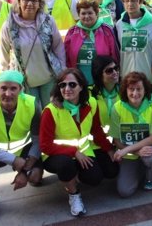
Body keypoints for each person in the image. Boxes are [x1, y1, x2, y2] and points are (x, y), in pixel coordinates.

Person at [40, 68, 118, 217]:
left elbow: (96, 130)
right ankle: (73, 194)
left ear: (82, 86)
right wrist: (74, 152)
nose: (67, 89)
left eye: (72, 85)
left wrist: (109, 150)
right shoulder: (50, 111)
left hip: (83, 151)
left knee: (102, 174)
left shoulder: (91, 103)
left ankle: (75, 174)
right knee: (66, 165)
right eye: (62, 85)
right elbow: (45, 145)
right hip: (55, 155)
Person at [0, 70, 43, 225]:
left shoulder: (32, 104)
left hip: (24, 149)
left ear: (21, 89)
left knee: (35, 178)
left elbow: (38, 140)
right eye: (3, 88)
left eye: (13, 88)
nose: (8, 93)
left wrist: (24, 171)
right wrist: (13, 160)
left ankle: (29, 173)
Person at [0, 0, 66, 108]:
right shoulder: (9, 25)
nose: (30, 3)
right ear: (19, 1)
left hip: (48, 78)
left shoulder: (48, 21)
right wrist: (6, 78)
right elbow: (4, 54)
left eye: (34, 0)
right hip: (24, 82)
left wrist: (62, 71)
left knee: (51, 112)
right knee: (32, 116)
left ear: (40, 3)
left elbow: (58, 47)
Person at [110, 72, 152, 197]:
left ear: (145, 90)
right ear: (125, 90)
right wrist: (135, 152)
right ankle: (139, 168)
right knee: (124, 191)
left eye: (139, 89)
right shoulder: (117, 108)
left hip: (149, 147)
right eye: (131, 89)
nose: (135, 93)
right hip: (129, 153)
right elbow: (117, 140)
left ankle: (151, 178)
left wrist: (127, 149)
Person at [115, 0, 152, 95]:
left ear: (140, 2)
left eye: (133, 0)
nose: (130, 4)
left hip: (149, 77)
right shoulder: (118, 25)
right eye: (126, 1)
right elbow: (116, 49)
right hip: (127, 76)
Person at [64, 0, 119, 86]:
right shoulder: (72, 32)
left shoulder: (106, 30)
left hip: (103, 82)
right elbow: (66, 58)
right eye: (83, 13)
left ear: (96, 14)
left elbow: (114, 56)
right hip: (79, 82)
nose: (86, 16)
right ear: (78, 14)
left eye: (90, 13)